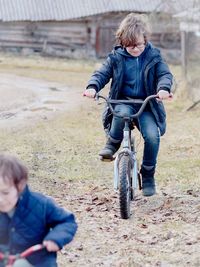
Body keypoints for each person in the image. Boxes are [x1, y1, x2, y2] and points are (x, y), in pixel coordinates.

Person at [83, 13, 173, 197]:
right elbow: (101, 73)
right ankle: (113, 143)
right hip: (122, 100)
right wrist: (92, 86)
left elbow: (165, 74)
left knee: (152, 136)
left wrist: (163, 88)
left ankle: (147, 175)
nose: (136, 49)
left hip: (146, 104)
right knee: (121, 113)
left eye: (140, 44)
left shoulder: (154, 56)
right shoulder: (116, 57)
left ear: (145, 40)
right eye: (131, 45)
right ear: (123, 42)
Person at [0, 154, 77, 267]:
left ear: (20, 185)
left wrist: (55, 238)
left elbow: (67, 222)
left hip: (36, 261)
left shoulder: (41, 204)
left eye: (5, 192)